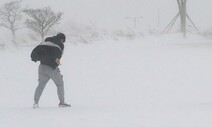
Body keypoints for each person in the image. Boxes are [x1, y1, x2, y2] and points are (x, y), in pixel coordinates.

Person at [31, 33, 71, 108]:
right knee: (60, 84)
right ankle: (62, 103)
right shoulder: (60, 45)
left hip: (41, 67)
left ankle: (35, 103)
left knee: (40, 86)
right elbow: (57, 59)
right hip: (51, 68)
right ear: (62, 39)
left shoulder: (45, 42)